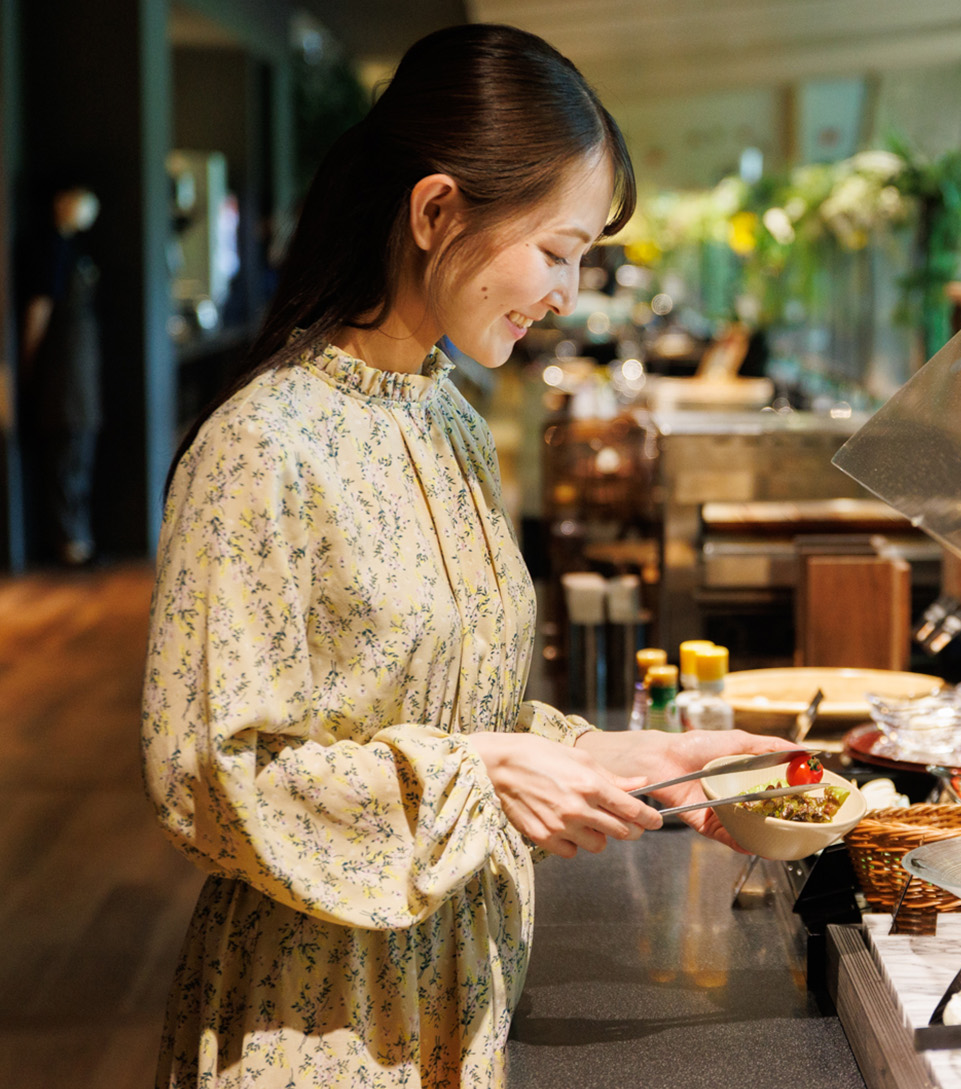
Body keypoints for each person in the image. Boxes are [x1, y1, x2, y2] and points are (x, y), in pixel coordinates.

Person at [140, 25, 792, 1087]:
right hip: (318, 1024)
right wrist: (482, 771)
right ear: (437, 210)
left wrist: (604, 757)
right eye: (557, 250)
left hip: (460, 988)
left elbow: (454, 714)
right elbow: (210, 779)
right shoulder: (262, 447)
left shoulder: (449, 421)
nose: (567, 295)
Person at [17, 183, 102, 565]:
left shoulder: (76, 249)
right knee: (65, 453)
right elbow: (39, 309)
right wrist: (28, 357)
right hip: (60, 368)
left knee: (78, 448)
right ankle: (68, 543)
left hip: (80, 366)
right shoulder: (49, 249)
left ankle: (77, 538)